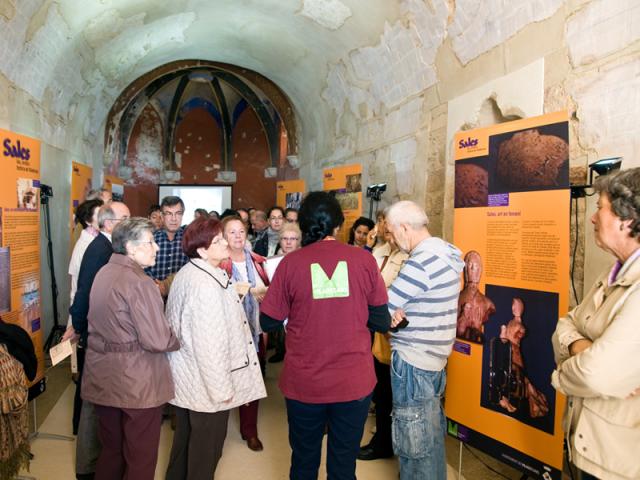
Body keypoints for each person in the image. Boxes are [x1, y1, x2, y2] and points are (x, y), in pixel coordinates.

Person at [260, 191, 391, 480]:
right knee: (344, 466)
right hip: (353, 381)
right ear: (338, 224)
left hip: (305, 382)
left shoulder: (290, 265)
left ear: (304, 225)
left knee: (304, 462)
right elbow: (381, 321)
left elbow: (268, 322)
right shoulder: (365, 261)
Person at [551, 168, 640, 480]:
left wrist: (565, 370)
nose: (592, 218)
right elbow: (566, 323)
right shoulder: (613, 273)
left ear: (626, 219)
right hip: (584, 444)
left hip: (616, 462)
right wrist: (583, 346)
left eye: (599, 207)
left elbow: (596, 375)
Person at [165, 217, 266, 479]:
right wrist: (222, 392)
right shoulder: (205, 285)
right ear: (201, 250)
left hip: (190, 379)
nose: (225, 243)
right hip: (206, 386)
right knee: (205, 453)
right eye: (218, 240)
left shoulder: (192, 272)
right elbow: (210, 346)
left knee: (185, 447)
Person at [82, 218, 179, 480]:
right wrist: (177, 338)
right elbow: (158, 340)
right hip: (137, 383)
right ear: (130, 247)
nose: (156, 248)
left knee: (111, 451)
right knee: (141, 457)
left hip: (102, 375)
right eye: (150, 242)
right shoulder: (140, 282)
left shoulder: (104, 272)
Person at [385, 200, 464, 480]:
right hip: (434, 360)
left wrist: (390, 310)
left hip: (412, 362)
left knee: (414, 443)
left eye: (392, 233)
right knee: (429, 438)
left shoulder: (421, 262)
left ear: (405, 228)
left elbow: (385, 307)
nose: (391, 240)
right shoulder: (446, 252)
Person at [68, 201, 130, 480]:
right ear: (108, 224)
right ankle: (87, 468)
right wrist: (77, 328)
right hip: (97, 337)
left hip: (103, 336)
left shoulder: (108, 247)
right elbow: (83, 293)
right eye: (125, 218)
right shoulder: (100, 251)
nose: (130, 223)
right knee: (93, 403)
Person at [358, 209, 408, 461]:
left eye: (386, 224)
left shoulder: (408, 255)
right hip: (373, 328)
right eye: (380, 223)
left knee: (392, 391)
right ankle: (382, 441)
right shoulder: (379, 252)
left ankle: (389, 443)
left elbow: (394, 294)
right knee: (381, 389)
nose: (383, 228)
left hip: (394, 331)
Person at [220, 216, 270, 451]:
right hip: (228, 330)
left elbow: (273, 289)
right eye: (232, 232)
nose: (238, 236)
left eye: (241, 231)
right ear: (223, 236)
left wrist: (264, 294)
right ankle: (215, 430)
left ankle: (250, 430)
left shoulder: (259, 261)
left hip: (255, 329)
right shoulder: (219, 263)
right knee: (224, 378)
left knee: (252, 378)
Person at [65, 198, 103, 434]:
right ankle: (79, 427)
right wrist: (75, 324)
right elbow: (79, 289)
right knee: (85, 379)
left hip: (85, 316)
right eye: (102, 212)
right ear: (89, 220)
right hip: (83, 317)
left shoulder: (95, 240)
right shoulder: (87, 245)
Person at [145, 196, 188, 296]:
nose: (173, 219)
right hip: (154, 296)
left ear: (182, 215)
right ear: (162, 216)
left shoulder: (190, 239)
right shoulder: (151, 239)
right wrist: (156, 286)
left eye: (178, 213)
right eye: (169, 213)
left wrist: (167, 286)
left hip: (182, 296)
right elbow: (143, 267)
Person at [456, 251, 495, 343]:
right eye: (470, 265)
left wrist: (477, 327)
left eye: (477, 266)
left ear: (480, 270)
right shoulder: (457, 297)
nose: (473, 269)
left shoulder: (488, 303)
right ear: (466, 270)